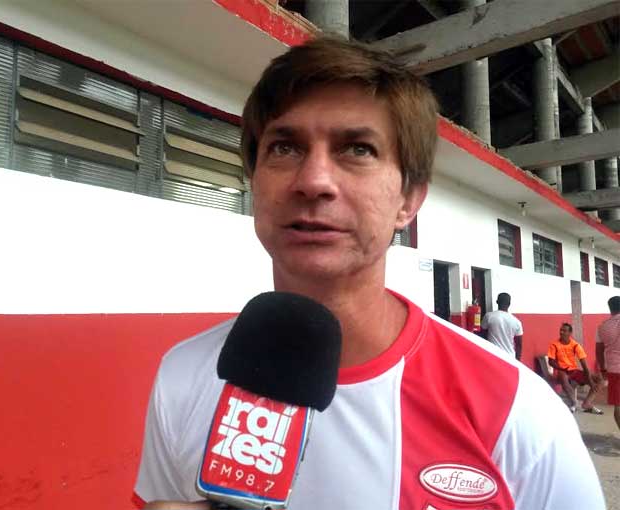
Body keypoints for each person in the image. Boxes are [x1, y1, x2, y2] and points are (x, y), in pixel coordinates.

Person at [134, 37, 604, 510]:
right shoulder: (183, 378)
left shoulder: (520, 412)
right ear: (254, 182)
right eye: (285, 147)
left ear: (409, 199)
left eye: (357, 149)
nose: (313, 181)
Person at [548, 323, 603, 414]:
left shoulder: (575, 345)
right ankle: (574, 402)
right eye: (561, 330)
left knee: (600, 379)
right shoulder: (554, 345)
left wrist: (591, 382)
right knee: (562, 375)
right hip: (561, 371)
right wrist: (563, 368)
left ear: (570, 333)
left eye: (564, 330)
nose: (561, 332)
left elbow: (584, 365)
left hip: (573, 371)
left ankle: (587, 403)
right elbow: (551, 362)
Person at [596, 296, 620, 430]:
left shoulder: (602, 327)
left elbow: (598, 351)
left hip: (613, 370)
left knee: (618, 405)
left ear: (610, 309)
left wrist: (603, 369)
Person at [480, 292, 524, 360]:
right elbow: (519, 345)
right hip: (510, 358)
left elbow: (482, 335)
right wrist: (517, 361)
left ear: (497, 302)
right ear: (509, 304)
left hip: (493, 356)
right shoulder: (516, 322)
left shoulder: (488, 316)